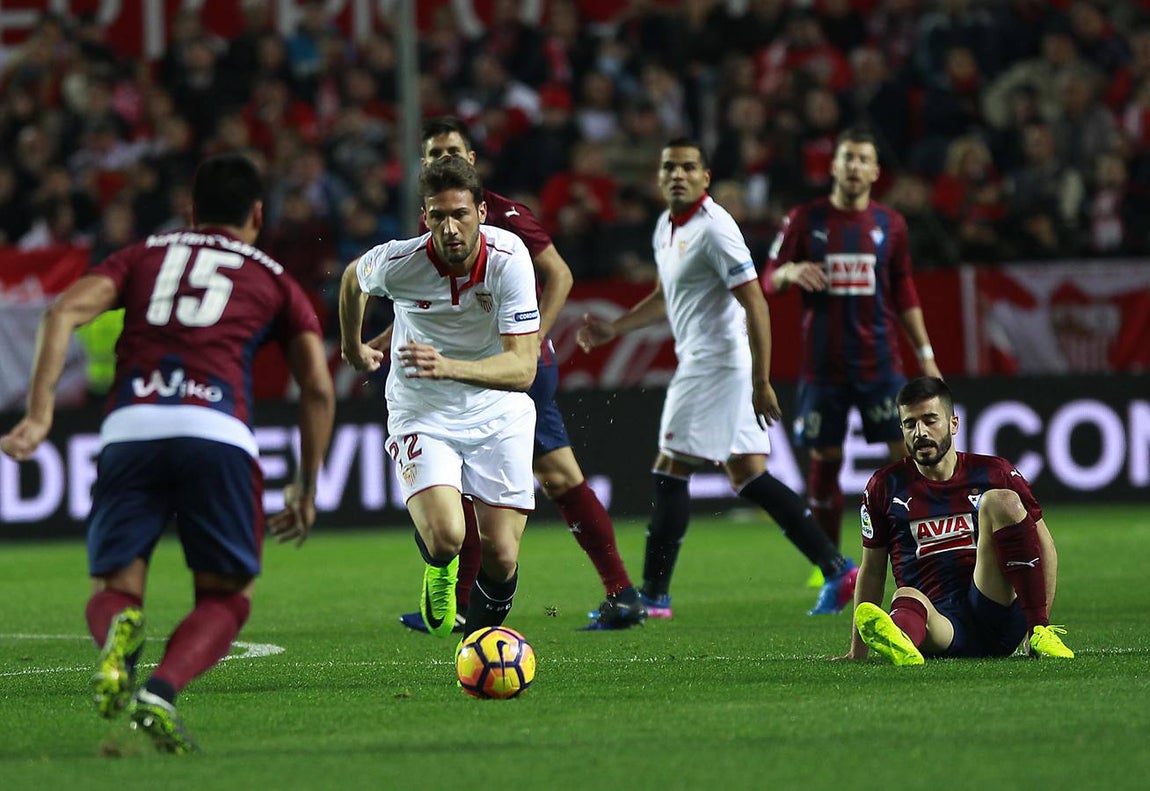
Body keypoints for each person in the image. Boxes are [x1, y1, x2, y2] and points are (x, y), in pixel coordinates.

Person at [0, 153, 336, 753]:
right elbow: (316, 387)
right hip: (217, 430)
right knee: (226, 596)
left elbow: (62, 311)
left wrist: (39, 415)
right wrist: (307, 486)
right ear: (258, 214)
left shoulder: (145, 254)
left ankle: (119, 632)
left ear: (191, 209)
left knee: (116, 585)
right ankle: (160, 692)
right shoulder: (274, 278)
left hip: (131, 427)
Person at [378, 117, 645, 632]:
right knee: (465, 490)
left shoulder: (504, 215)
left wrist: (535, 335)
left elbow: (559, 273)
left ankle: (621, 590)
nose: (442, 161)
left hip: (509, 369)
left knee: (557, 475)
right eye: (433, 155)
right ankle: (461, 603)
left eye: (451, 152)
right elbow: (433, 305)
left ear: (472, 160)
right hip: (459, 373)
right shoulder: (439, 219)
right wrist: (384, 339)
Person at [577, 138, 859, 618]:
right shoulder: (666, 226)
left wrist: (762, 382)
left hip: (716, 364)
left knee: (670, 468)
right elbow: (666, 297)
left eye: (689, 167)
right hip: (709, 362)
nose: (678, 175)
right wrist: (615, 328)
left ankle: (654, 597)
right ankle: (838, 570)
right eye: (670, 167)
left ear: (705, 178)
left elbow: (756, 303)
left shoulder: (716, 229)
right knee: (748, 475)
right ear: (659, 177)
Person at [338, 156, 539, 642]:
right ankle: (439, 566)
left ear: (481, 212)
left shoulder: (509, 259)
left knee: (502, 555)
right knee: (448, 537)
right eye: (437, 216)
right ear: (424, 218)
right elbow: (352, 280)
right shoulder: (400, 262)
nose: (449, 228)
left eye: (460, 214)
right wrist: (352, 346)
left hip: (498, 410)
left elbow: (523, 369)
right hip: (423, 410)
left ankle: (476, 648)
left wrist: (450, 367)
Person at [763, 127, 942, 593]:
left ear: (876, 171)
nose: (855, 166)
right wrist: (790, 270)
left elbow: (904, 289)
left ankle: (919, 545)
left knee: (903, 451)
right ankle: (828, 563)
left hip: (879, 363)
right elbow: (767, 278)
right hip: (823, 366)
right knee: (825, 456)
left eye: (864, 159)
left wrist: (925, 353)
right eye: (848, 158)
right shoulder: (805, 219)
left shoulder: (890, 224)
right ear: (834, 166)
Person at [842, 376, 1074, 664]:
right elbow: (873, 569)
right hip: (939, 623)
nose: (920, 432)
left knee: (1001, 500)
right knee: (906, 596)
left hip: (995, 608)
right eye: (910, 424)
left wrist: (1040, 622)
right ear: (901, 430)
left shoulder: (995, 473)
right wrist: (857, 651)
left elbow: (1043, 546)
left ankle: (1040, 632)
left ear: (953, 424)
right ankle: (903, 644)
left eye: (930, 420)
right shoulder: (884, 486)